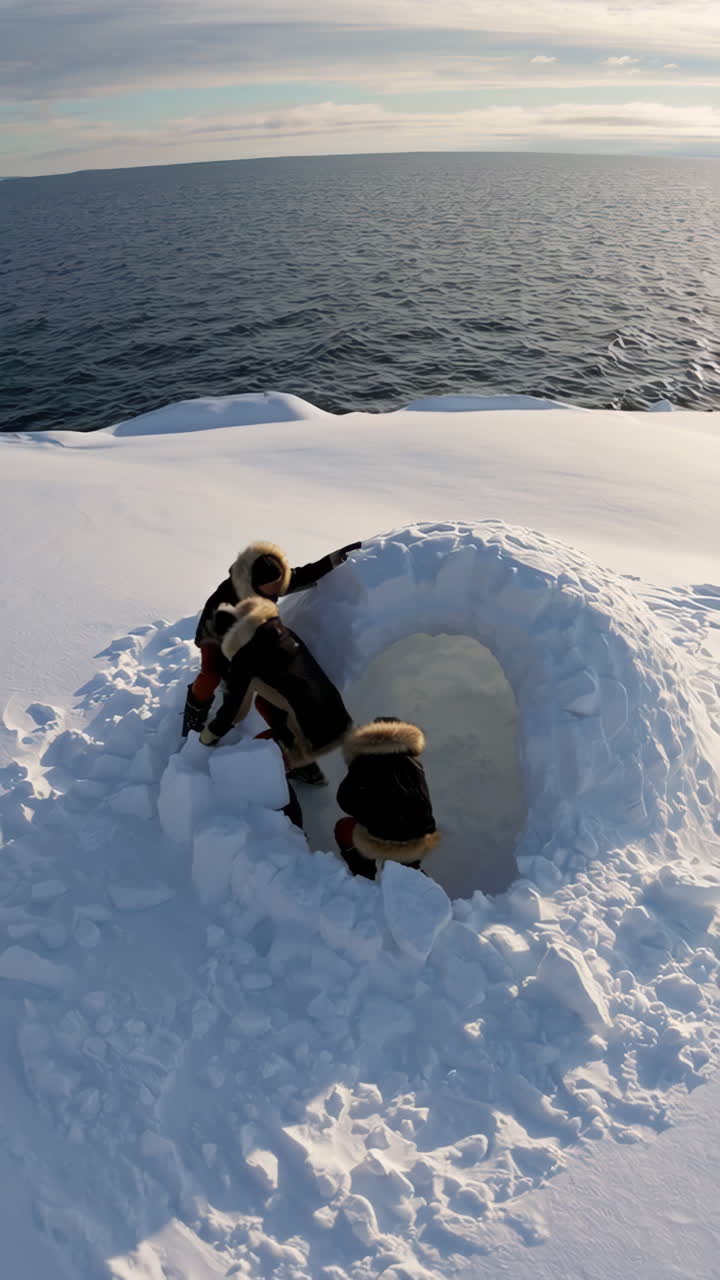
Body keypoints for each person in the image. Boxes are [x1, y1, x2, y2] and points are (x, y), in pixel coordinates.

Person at [182, 539, 361, 760]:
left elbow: (301, 576)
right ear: (256, 583)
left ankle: (281, 749)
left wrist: (331, 561)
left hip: (250, 639)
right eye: (273, 585)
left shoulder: (267, 582)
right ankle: (194, 712)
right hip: (217, 637)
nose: (279, 588)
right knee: (211, 675)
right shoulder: (228, 602)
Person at [197, 597, 353, 775]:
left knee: (255, 758)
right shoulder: (282, 631)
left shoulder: (245, 658)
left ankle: (301, 772)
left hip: (315, 738)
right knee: (267, 701)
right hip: (339, 715)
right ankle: (302, 765)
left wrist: (207, 736)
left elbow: (235, 711)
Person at [334, 718, 440, 880]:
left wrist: (370, 813)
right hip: (423, 836)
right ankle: (415, 879)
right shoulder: (414, 762)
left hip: (387, 835)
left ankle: (364, 875)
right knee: (406, 864)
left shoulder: (364, 761)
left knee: (344, 828)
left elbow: (345, 800)